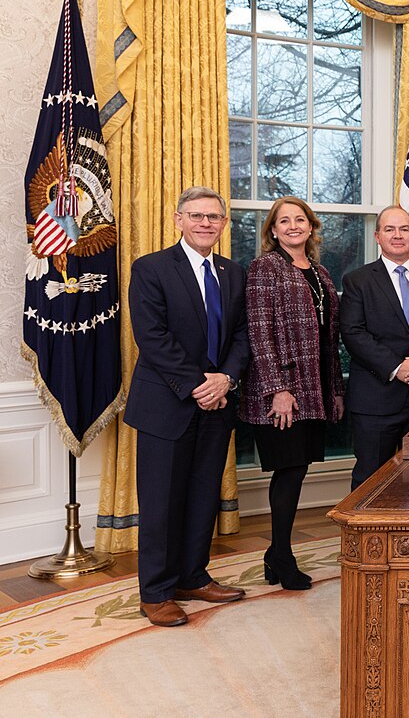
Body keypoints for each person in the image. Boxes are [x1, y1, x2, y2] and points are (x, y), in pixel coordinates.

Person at [124, 186, 249, 627]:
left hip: (217, 402)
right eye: (196, 216)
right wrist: (199, 384)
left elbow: (242, 336)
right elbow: (152, 337)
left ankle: (193, 576)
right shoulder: (152, 269)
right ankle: (156, 591)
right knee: (161, 502)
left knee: (201, 496)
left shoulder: (234, 273)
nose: (205, 223)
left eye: (214, 217)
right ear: (178, 219)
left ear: (223, 224)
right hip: (167, 402)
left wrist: (226, 379)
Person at [238, 197, 343, 591]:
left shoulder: (321, 272)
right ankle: (281, 555)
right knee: (289, 469)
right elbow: (258, 331)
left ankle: (274, 555)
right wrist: (276, 389)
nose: (293, 225)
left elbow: (329, 338)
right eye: (284, 221)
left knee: (297, 469)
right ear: (273, 230)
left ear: (311, 226)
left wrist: (334, 389)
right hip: (283, 389)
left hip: (314, 387)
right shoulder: (266, 267)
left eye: (300, 219)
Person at [340, 206, 409, 490]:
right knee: (370, 482)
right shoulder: (357, 281)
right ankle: (368, 537)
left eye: (404, 229)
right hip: (376, 401)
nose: (397, 235)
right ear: (377, 236)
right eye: (389, 229)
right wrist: (397, 367)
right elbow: (353, 333)